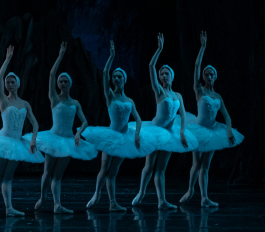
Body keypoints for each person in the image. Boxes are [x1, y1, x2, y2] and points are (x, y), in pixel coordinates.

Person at [131, 34, 198, 209]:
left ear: (172, 76)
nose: (163, 75)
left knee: (161, 169)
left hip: (169, 134)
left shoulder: (178, 95)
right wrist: (159, 49)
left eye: (166, 73)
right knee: (149, 166)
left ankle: (162, 201)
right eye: (161, 74)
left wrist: (182, 132)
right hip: (155, 131)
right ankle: (141, 192)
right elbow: (151, 66)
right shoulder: (159, 91)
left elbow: (182, 115)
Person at [83, 41, 151, 211]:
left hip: (124, 138)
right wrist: (112, 56)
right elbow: (105, 73)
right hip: (110, 136)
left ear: (124, 80)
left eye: (119, 77)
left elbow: (138, 119)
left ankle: (113, 203)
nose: (116, 79)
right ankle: (96, 194)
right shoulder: (110, 96)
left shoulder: (129, 100)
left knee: (113, 171)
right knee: (104, 168)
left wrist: (137, 134)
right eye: (115, 77)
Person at [31, 42, 98, 214]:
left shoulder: (75, 103)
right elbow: (51, 74)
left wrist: (78, 133)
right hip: (53, 138)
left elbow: (84, 121)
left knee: (58, 175)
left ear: (70, 84)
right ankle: (42, 197)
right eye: (60, 81)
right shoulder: (54, 98)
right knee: (47, 171)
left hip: (68, 140)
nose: (62, 83)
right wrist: (60, 56)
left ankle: (57, 204)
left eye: (65, 81)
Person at [0, 46, 44, 216]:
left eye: (13, 82)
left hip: (17, 143)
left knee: (8, 176)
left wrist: (33, 139)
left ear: (18, 84)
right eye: (8, 82)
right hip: (2, 141)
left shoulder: (25, 104)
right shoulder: (3, 100)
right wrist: (7, 59)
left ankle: (9, 208)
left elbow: (35, 124)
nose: (9, 84)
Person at [179, 31, 243, 207]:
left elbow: (227, 115)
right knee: (197, 163)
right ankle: (190, 190)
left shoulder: (218, 96)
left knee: (206, 165)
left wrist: (228, 130)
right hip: (198, 130)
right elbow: (196, 65)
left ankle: (204, 198)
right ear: (203, 77)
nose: (208, 76)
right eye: (206, 74)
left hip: (213, 131)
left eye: (211, 74)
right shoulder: (199, 90)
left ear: (215, 76)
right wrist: (203, 47)